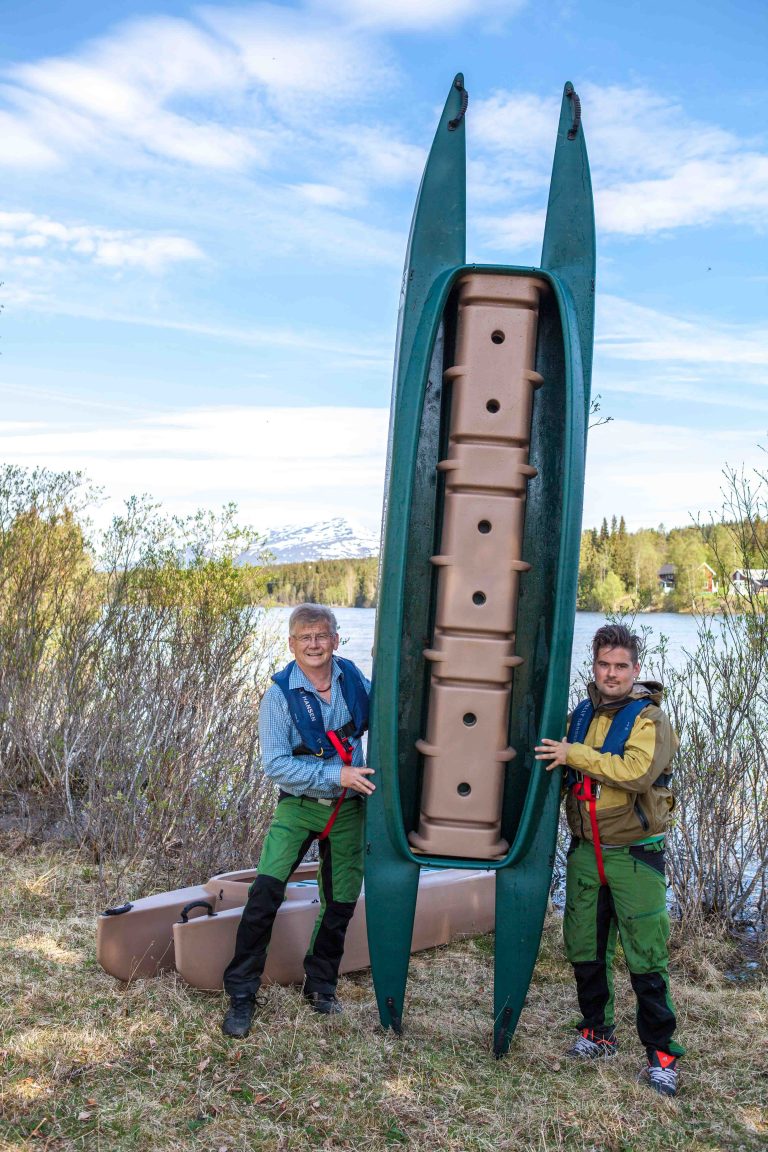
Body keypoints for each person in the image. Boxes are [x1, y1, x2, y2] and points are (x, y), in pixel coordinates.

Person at [535, 623, 684, 1097]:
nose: (612, 674)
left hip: (634, 856)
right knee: (584, 949)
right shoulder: (581, 713)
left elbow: (636, 772)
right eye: (604, 665)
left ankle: (661, 1057)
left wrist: (574, 754)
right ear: (594, 666)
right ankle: (596, 1033)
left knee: (646, 958)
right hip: (585, 853)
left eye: (621, 666)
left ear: (635, 669)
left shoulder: (648, 719)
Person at [221, 603, 374, 1038]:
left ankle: (320, 986)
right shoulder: (278, 696)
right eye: (304, 637)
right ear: (291, 644)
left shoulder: (354, 680)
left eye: (321, 635)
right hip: (299, 804)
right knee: (264, 895)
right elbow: (276, 766)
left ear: (335, 640)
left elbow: (385, 721)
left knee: (341, 901)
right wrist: (335, 773)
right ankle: (242, 995)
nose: (313, 644)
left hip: (348, 807)